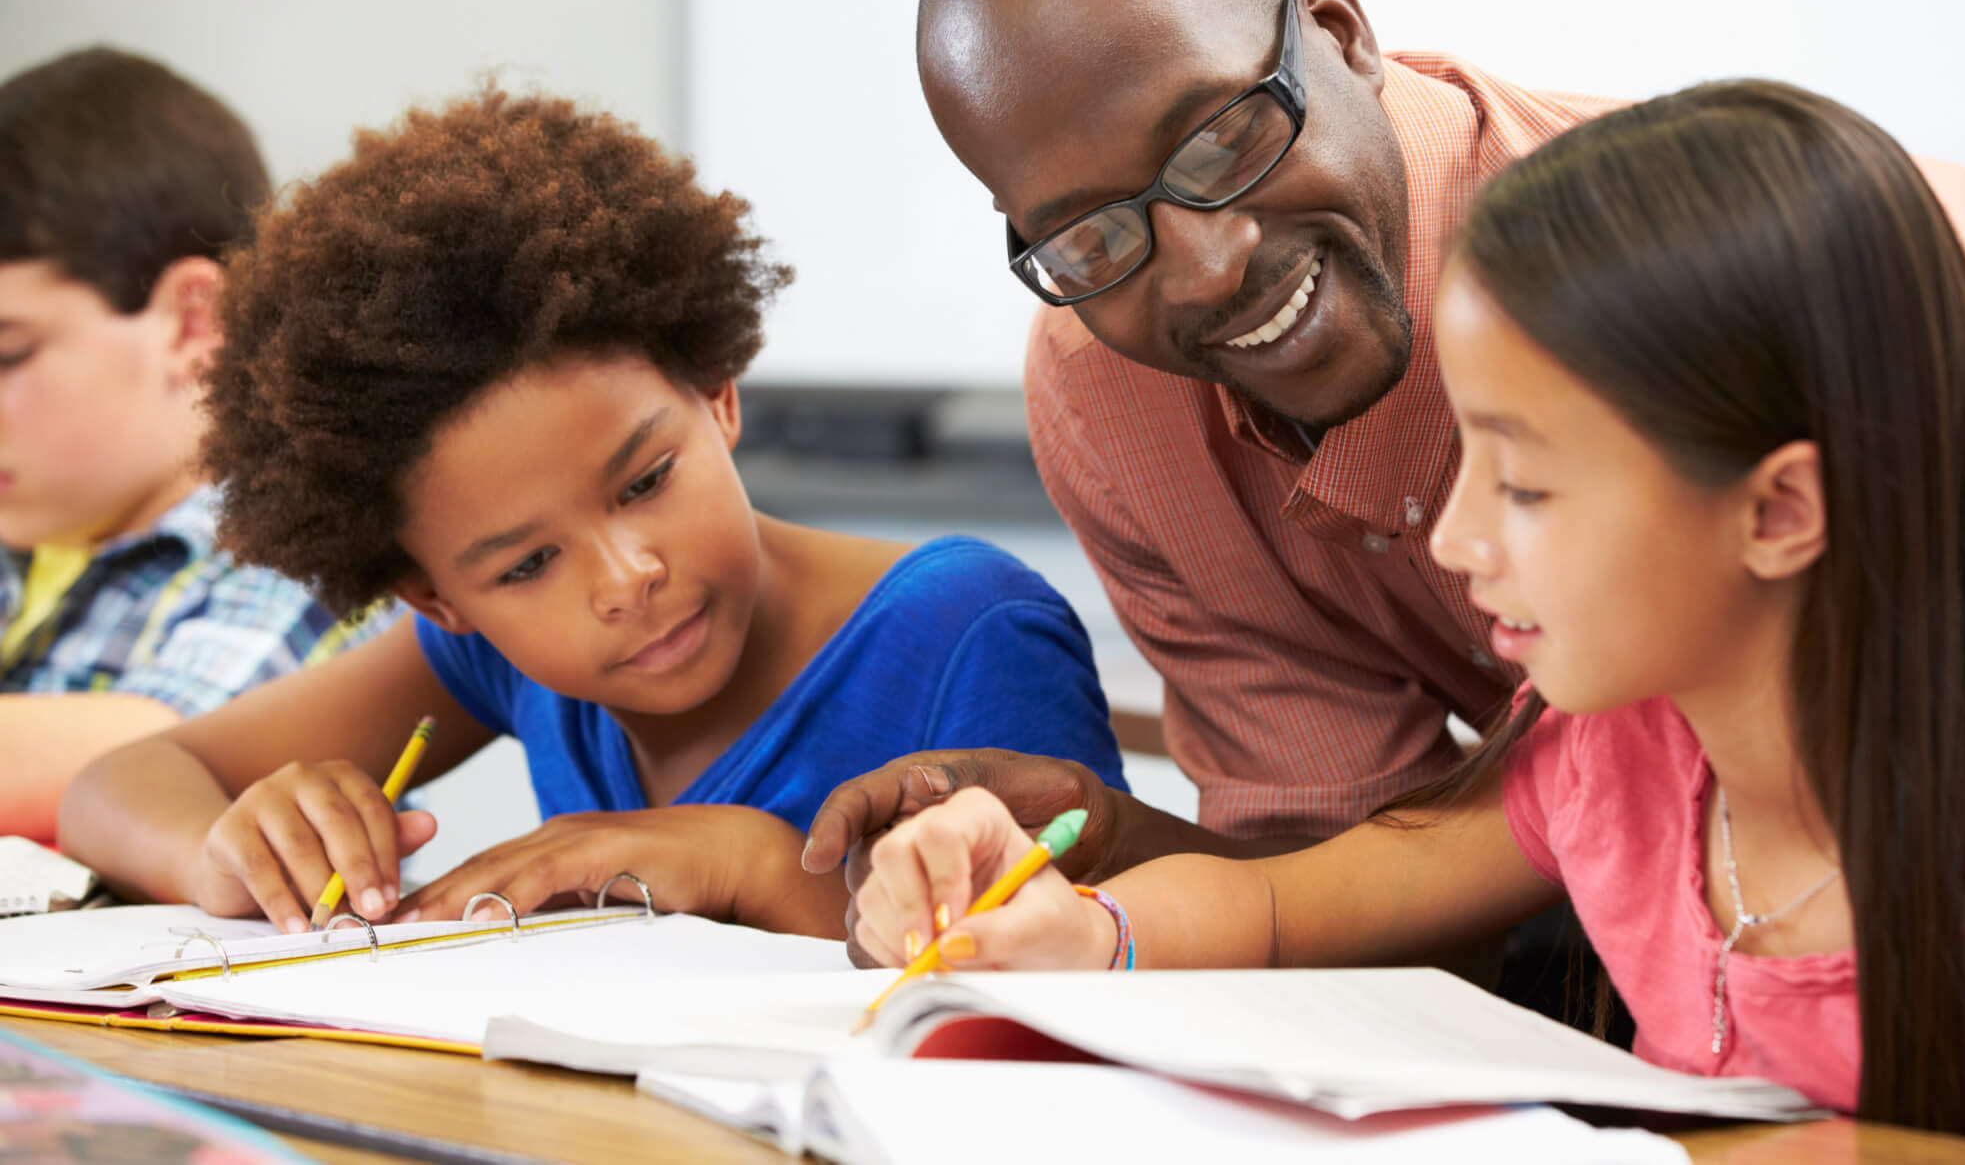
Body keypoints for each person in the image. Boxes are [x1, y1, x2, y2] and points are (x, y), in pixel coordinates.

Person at [802, 0, 1965, 896]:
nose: (1203, 266)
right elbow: (1355, 873)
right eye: (1087, 233)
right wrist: (1113, 844)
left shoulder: (1807, 301)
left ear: (1338, 34)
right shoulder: (1109, 392)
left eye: (1224, 135)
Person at [846, 80, 1965, 1143]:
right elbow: (1284, 901)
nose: (1457, 538)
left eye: (1523, 483)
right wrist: (1084, 932)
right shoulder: (1617, 758)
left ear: (1779, 509)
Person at [59, 87, 1125, 939]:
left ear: (716, 391)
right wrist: (225, 847)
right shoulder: (489, 655)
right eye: (524, 565)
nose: (624, 579)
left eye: (645, 480)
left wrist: (743, 865)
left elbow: (1076, 956)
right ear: (437, 594)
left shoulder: (963, 630)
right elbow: (118, 783)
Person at [0, 47, 385, 844]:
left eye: (9, 355)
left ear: (192, 322)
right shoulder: (31, 530)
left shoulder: (309, 539)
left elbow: (168, 760)